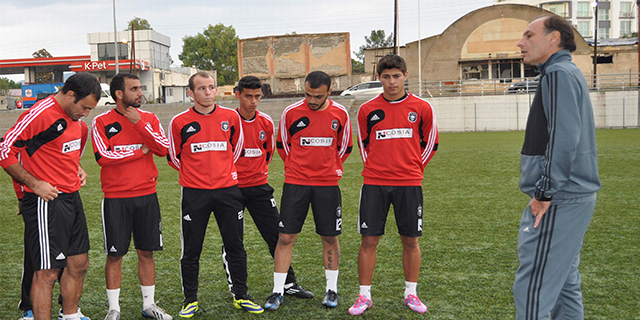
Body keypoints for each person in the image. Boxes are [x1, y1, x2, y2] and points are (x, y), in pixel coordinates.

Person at [513, 16, 601, 320]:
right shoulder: (563, 72)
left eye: (528, 35)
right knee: (565, 283)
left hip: (561, 198)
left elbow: (564, 139)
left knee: (532, 287)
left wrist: (544, 193)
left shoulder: (558, 74)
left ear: (553, 39)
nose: (520, 42)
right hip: (573, 195)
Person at [0, 72, 101, 320]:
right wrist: (35, 184)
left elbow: (63, 152)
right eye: (85, 107)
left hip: (72, 198)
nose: (86, 114)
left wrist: (77, 169)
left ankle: (70, 316)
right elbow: (5, 150)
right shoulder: (40, 113)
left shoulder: (77, 122)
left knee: (78, 263)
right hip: (47, 202)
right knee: (47, 271)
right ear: (69, 95)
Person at [348, 54, 439, 316]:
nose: (391, 82)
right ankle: (364, 296)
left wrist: (412, 169)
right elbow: (365, 146)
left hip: (409, 184)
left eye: (396, 76)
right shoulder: (367, 110)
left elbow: (431, 143)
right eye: (386, 77)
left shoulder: (422, 108)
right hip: (375, 184)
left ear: (405, 76)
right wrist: (378, 170)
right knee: (368, 240)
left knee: (410, 240)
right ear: (379, 78)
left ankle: (411, 293)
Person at [167, 71, 263, 317]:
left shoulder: (231, 117)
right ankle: (190, 300)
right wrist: (196, 175)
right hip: (194, 193)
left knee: (236, 245)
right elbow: (174, 157)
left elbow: (236, 148)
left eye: (211, 87)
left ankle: (241, 296)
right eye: (201, 88)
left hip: (228, 192)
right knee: (191, 249)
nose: (207, 92)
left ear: (217, 90)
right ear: (191, 93)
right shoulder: (179, 122)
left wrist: (222, 173)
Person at [264, 70, 352, 311]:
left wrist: (328, 168)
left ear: (329, 93)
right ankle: (277, 291)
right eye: (308, 94)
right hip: (296, 183)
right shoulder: (291, 113)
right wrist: (299, 169)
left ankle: (331, 290)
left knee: (330, 237)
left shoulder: (340, 114)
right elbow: (283, 145)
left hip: (327, 185)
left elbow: (345, 148)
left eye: (318, 96)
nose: (312, 100)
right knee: (285, 237)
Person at [91, 73, 172, 320]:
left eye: (140, 88)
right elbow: (103, 158)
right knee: (115, 254)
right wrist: (139, 152)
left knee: (146, 252)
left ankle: (149, 305)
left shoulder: (149, 118)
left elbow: (163, 149)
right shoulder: (101, 122)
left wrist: (140, 124)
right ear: (119, 94)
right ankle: (113, 309)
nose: (140, 93)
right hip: (116, 198)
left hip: (147, 195)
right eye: (134, 89)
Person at [225, 75, 313, 299]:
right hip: (231, 189)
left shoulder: (265, 121)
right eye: (248, 96)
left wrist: (256, 173)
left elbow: (267, 153)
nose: (253, 101)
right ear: (237, 95)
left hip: (259, 187)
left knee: (278, 235)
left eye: (257, 96)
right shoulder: (226, 120)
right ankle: (238, 291)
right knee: (233, 242)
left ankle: (288, 283)